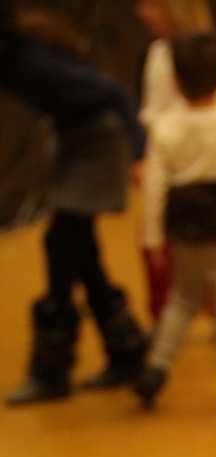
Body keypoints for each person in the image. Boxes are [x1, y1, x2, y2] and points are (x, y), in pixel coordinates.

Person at [1, 2, 149, 403]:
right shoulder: (13, 52)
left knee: (61, 243)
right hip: (73, 138)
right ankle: (126, 350)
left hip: (99, 142)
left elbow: (115, 93)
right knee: (82, 253)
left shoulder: (32, 60)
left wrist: (140, 154)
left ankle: (51, 370)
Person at [133, 29, 216, 412]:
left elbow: (155, 188)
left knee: (181, 300)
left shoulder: (165, 129)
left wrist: (153, 238)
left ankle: (157, 368)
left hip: (183, 232)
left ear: (176, 82)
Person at [133, 0, 216, 321]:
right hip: (166, 161)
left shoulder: (205, 51)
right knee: (154, 241)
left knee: (208, 250)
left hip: (197, 167)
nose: (142, 12)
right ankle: (166, 314)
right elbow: (153, 115)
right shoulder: (158, 53)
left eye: (152, 5)